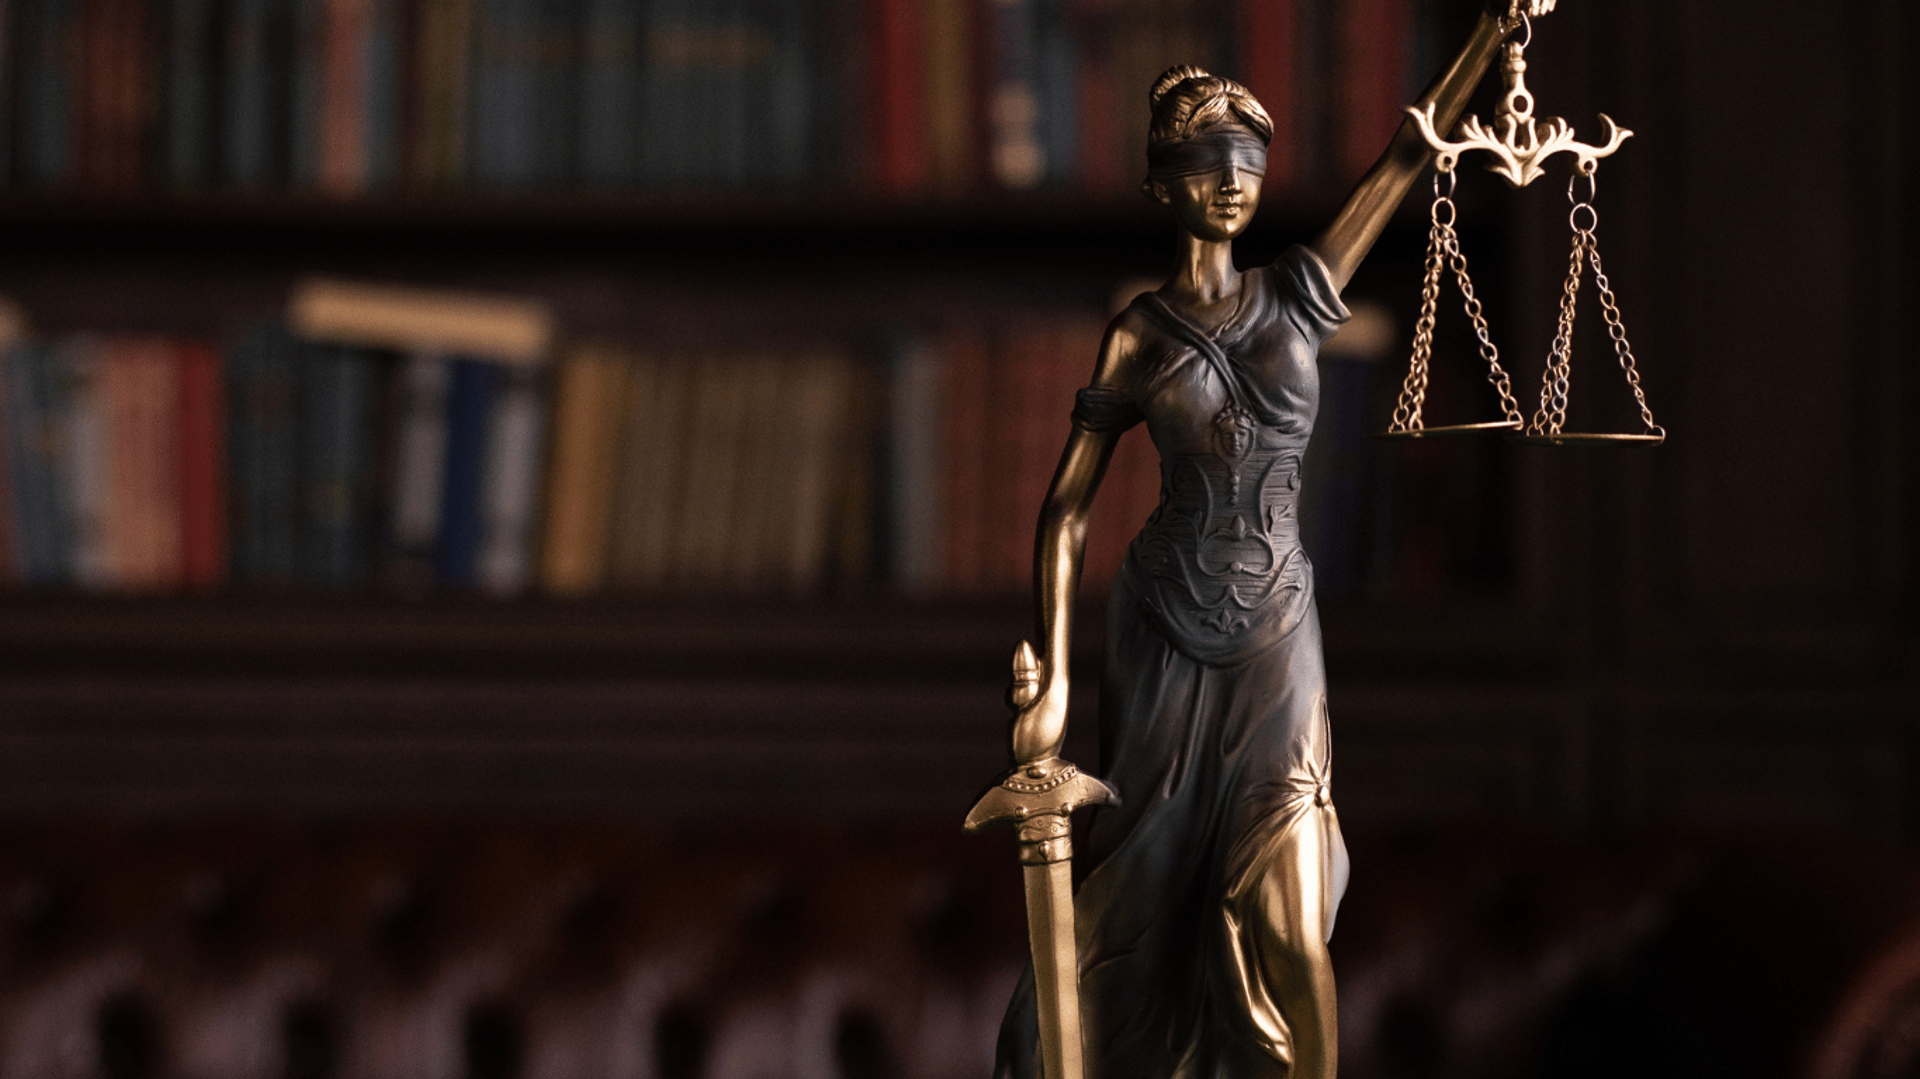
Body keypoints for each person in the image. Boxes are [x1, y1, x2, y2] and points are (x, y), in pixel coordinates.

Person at [993, 3, 1556, 1077]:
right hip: (1160, 634)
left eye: (1248, 161)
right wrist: (1055, 681)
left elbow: (1405, 154)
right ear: (1165, 183)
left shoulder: (1299, 294)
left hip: (1276, 636)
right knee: (1145, 899)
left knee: (1291, 920)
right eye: (1206, 163)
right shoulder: (1138, 334)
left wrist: (1491, 33)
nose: (1233, 180)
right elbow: (1067, 507)